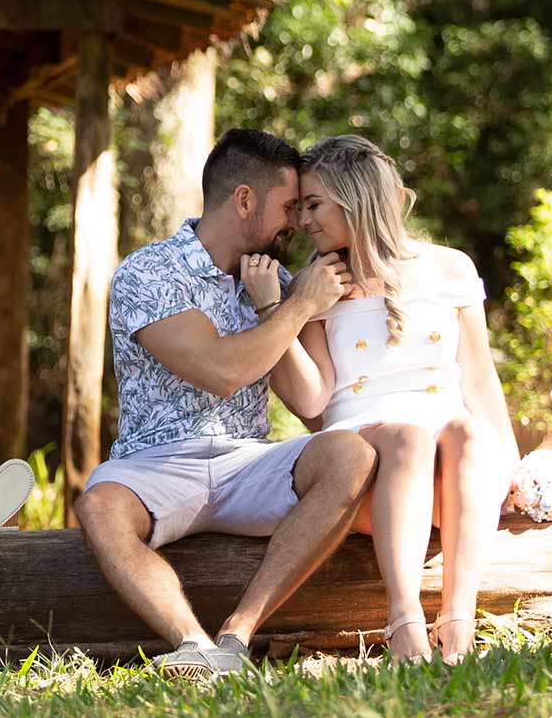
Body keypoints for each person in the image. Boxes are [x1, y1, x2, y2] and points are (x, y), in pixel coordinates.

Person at [76, 129, 376, 679]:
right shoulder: (150, 274)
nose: (297, 222)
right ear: (243, 200)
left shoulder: (278, 282)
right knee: (99, 506)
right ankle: (192, 645)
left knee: (349, 455)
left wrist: (276, 305)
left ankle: (236, 639)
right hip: (156, 462)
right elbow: (221, 370)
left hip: (247, 461)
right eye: (288, 207)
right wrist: (298, 305)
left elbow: (313, 406)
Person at [244, 134, 519, 664]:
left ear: (357, 199)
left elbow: (480, 381)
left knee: (466, 432)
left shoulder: (451, 269)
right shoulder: (315, 284)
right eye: (300, 207)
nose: (303, 221)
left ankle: (459, 618)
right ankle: (404, 620)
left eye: (314, 204)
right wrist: (281, 310)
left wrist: (509, 468)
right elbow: (310, 400)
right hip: (368, 472)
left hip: (446, 478)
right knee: (407, 438)